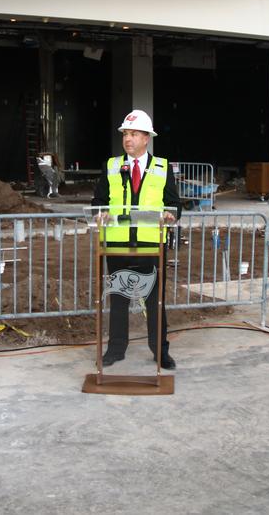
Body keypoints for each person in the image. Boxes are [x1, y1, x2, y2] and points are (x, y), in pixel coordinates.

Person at [91, 109, 181, 370]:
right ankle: (116, 350)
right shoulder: (112, 166)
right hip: (117, 245)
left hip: (151, 245)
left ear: (146, 138)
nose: (128, 139)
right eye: (125, 134)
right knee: (118, 300)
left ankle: (160, 352)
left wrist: (171, 216)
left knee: (155, 302)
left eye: (133, 134)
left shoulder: (162, 168)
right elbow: (98, 202)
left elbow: (175, 205)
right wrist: (101, 213)